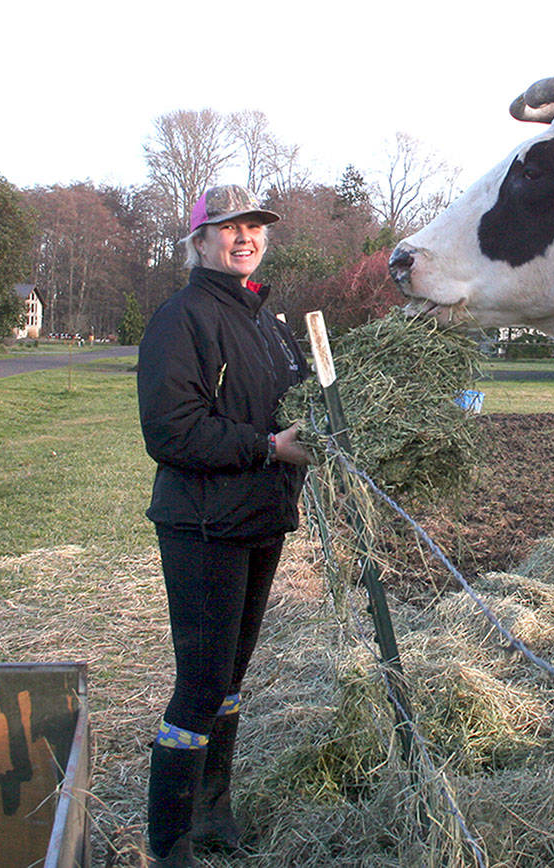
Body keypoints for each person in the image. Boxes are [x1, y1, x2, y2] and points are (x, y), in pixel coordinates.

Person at [136, 184, 310, 866]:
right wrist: (269, 448)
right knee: (201, 683)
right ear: (200, 240)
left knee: (231, 679)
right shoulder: (181, 318)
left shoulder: (266, 320)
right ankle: (169, 841)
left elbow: (295, 400)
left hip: (261, 519)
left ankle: (213, 815)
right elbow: (172, 431)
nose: (244, 237)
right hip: (202, 526)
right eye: (229, 227)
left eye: (255, 227)